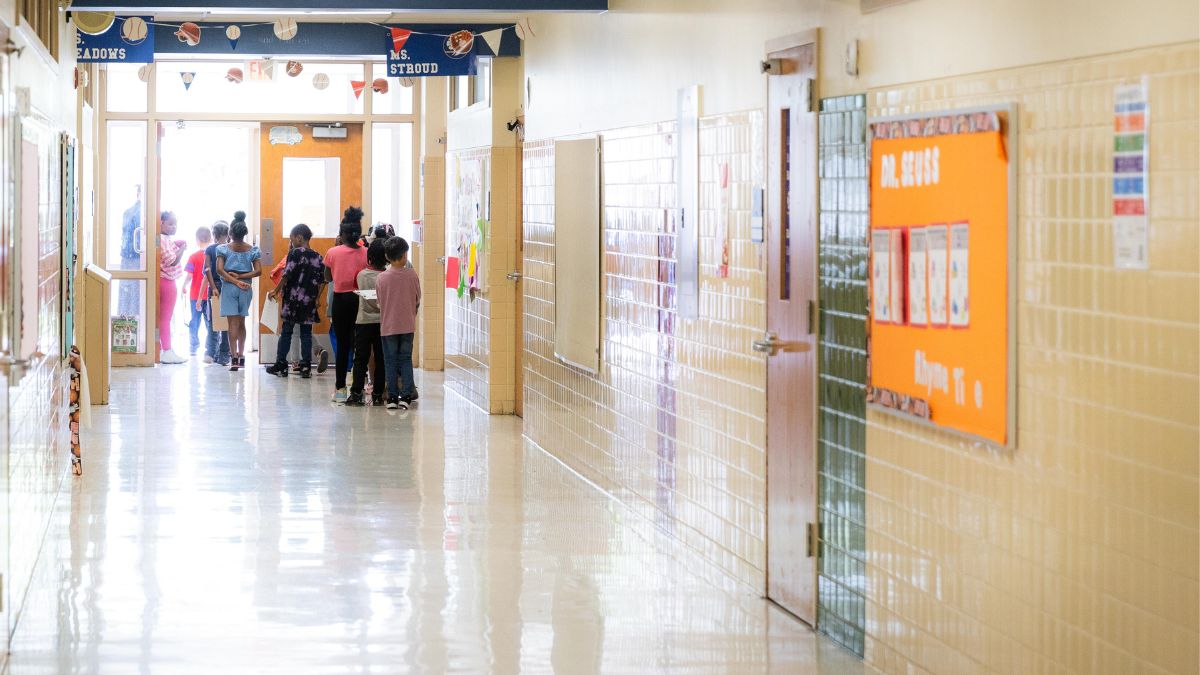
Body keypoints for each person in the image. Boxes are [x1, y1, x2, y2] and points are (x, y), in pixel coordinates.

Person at [266, 224, 325, 379]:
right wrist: (317, 298)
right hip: (308, 301)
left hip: (292, 300)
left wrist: (276, 290)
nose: (291, 243)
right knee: (306, 333)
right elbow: (322, 281)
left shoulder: (294, 253)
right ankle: (306, 367)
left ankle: (281, 365)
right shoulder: (318, 257)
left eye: (292, 240)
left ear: (299, 238)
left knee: (287, 332)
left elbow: (287, 274)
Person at [323, 207, 369, 404]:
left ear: (341, 235)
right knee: (359, 345)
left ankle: (340, 388)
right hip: (360, 299)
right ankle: (358, 385)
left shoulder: (333, 252)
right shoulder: (366, 253)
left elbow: (326, 277)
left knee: (342, 346)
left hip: (341, 301)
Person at [376, 236, 421, 410]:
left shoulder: (382, 278)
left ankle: (392, 397)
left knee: (390, 360)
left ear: (387, 256)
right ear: (404, 256)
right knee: (405, 359)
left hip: (388, 326)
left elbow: (379, 301)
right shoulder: (412, 275)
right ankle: (406, 396)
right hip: (407, 325)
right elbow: (418, 297)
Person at [215, 211, 261, 372]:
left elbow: (219, 270)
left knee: (232, 324)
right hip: (246, 288)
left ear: (230, 233)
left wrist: (235, 280)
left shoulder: (223, 249)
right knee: (242, 322)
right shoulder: (252, 250)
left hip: (229, 288)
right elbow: (258, 271)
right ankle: (241, 356)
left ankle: (233, 356)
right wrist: (242, 278)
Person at [345, 238, 388, 407]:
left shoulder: (361, 275)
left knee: (360, 358)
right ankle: (378, 394)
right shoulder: (387, 276)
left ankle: (356, 393)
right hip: (382, 322)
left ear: (369, 256)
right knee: (381, 358)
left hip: (363, 321)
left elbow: (357, 291)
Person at [158, 211, 188, 364]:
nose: (174, 227)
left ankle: (164, 349)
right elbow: (172, 261)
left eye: (175, 224)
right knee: (166, 319)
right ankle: (167, 350)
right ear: (161, 223)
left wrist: (175, 244)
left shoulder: (162, 238)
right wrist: (182, 248)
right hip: (167, 281)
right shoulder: (163, 239)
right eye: (170, 223)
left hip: (163, 280)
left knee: (163, 318)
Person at [199, 221, 231, 365]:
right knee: (226, 322)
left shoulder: (210, 249)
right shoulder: (230, 249)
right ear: (227, 235)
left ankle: (210, 353)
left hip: (214, 288)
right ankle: (224, 355)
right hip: (229, 287)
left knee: (213, 322)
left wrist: (213, 287)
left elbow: (206, 270)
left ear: (214, 235)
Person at [183, 226, 213, 356]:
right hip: (209, 295)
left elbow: (189, 276)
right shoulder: (213, 256)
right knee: (210, 322)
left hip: (195, 295)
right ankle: (210, 346)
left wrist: (183, 285)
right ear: (211, 239)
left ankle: (193, 346)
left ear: (197, 240)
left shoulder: (193, 257)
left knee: (194, 321)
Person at [117, 186, 143, 317]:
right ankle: (136, 322)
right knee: (137, 293)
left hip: (127, 258)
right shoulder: (143, 212)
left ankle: (126, 322)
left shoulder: (128, 212)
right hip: (138, 258)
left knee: (127, 294)